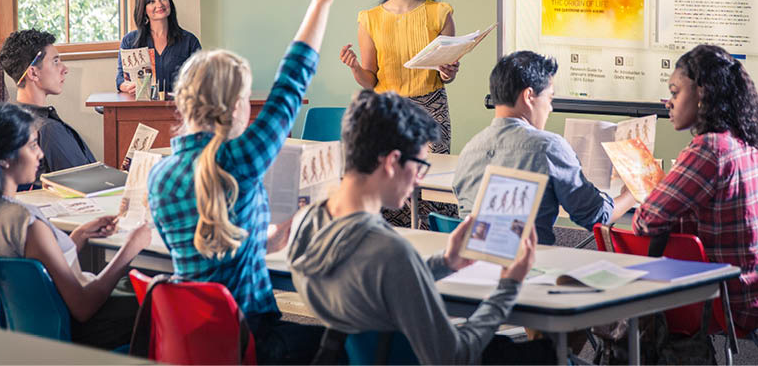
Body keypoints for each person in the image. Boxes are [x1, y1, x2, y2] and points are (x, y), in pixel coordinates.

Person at [147, 0, 334, 364]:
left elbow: (208, 247)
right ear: (234, 107)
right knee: (351, 342)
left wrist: (261, 240)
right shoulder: (240, 161)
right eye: (247, 99)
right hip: (250, 338)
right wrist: (321, 1)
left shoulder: (160, 176)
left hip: (192, 344)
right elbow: (292, 82)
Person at [287, 90, 554, 364]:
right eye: (419, 165)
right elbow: (454, 356)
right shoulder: (388, 250)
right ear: (391, 162)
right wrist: (508, 286)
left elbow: (376, 282)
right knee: (550, 352)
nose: (418, 180)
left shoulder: (307, 223)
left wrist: (446, 262)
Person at [0, 103, 152, 350]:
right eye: (32, 145)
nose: (40, 154)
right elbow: (83, 307)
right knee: (159, 297)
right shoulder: (27, 222)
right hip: (82, 330)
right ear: (4, 158)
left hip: (38, 330)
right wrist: (130, 249)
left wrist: (79, 235)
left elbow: (39, 267)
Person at [451, 51, 636, 245]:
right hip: (528, 268)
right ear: (529, 96)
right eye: (549, 99)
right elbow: (597, 216)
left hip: (472, 269)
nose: (550, 108)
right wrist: (631, 194)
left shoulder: (469, 149)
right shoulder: (548, 147)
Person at [634, 44, 758, 332]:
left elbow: (645, 221)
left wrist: (658, 189)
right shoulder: (744, 142)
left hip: (721, 301)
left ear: (702, 93)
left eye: (676, 92)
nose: (669, 101)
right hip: (749, 292)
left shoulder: (709, 148)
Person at [339, 0, 461, 227]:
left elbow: (449, 74)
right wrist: (356, 68)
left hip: (430, 109)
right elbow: (369, 80)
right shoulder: (369, 20)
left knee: (430, 181)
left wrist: (448, 71)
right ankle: (390, 245)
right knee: (387, 180)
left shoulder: (440, 13)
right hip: (387, 112)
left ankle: (435, 242)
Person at [0, 28, 96, 178]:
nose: (65, 69)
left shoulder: (12, 121)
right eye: (55, 62)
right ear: (33, 73)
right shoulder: (49, 130)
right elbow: (87, 181)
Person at [116, 0, 201, 94]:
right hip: (141, 108)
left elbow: (203, 78)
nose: (159, 5)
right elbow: (121, 78)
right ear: (143, 8)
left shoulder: (189, 41)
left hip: (179, 107)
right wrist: (125, 86)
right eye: (152, 1)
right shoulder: (130, 41)